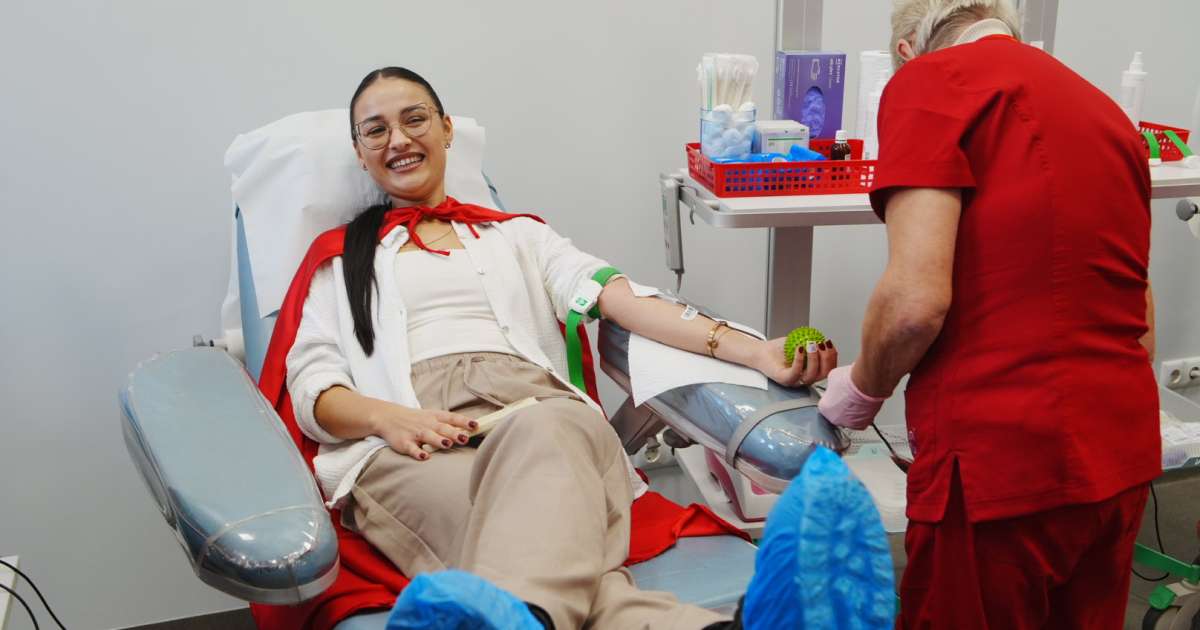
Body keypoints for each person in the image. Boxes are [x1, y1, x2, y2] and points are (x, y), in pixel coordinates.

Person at [253, 66, 893, 630]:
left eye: (414, 119)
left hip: (538, 419)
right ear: (360, 153)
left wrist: (752, 352)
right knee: (561, 557)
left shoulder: (519, 238)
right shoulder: (338, 262)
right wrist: (389, 418)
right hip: (415, 441)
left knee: (552, 426)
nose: (397, 139)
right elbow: (312, 388)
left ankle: (523, 617)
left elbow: (623, 300)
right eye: (375, 130)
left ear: (447, 130)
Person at [816, 1, 1160, 628]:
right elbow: (1139, 306)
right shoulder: (1104, 110)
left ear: (907, 50)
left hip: (1001, 466)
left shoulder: (928, 81)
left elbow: (914, 304)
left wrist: (860, 389)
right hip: (1119, 452)